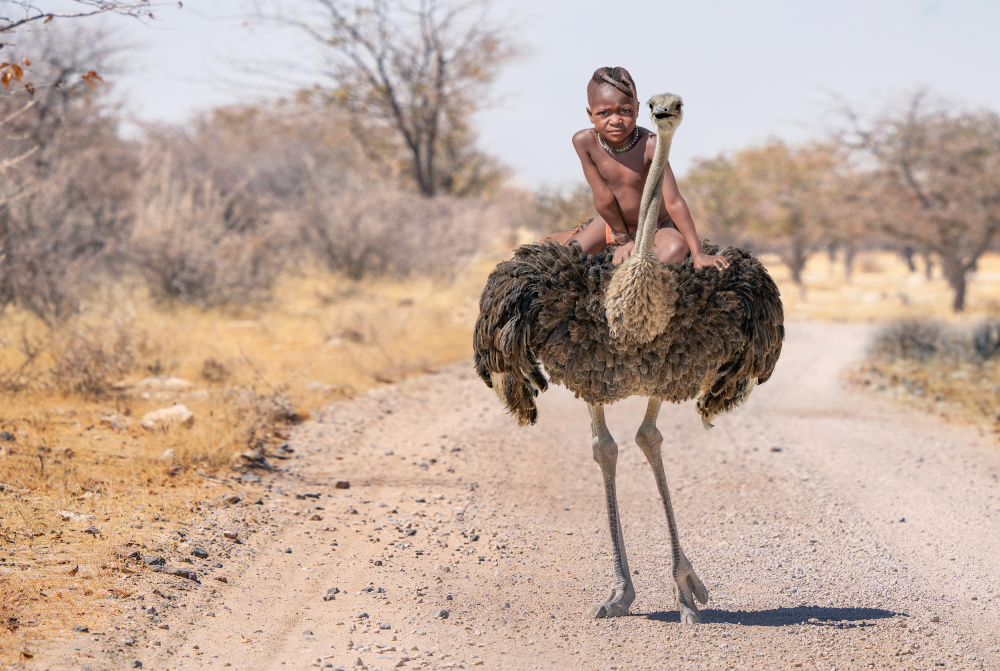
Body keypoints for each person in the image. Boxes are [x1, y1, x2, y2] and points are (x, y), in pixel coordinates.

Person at [550, 66, 728, 270]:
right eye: (604, 113)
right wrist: (624, 240)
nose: (615, 120)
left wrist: (698, 254)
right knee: (563, 261)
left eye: (624, 111)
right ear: (591, 115)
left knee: (675, 249)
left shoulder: (651, 144)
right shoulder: (584, 142)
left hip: (655, 226)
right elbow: (603, 197)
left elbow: (674, 200)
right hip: (611, 223)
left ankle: (627, 276)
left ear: (636, 109)